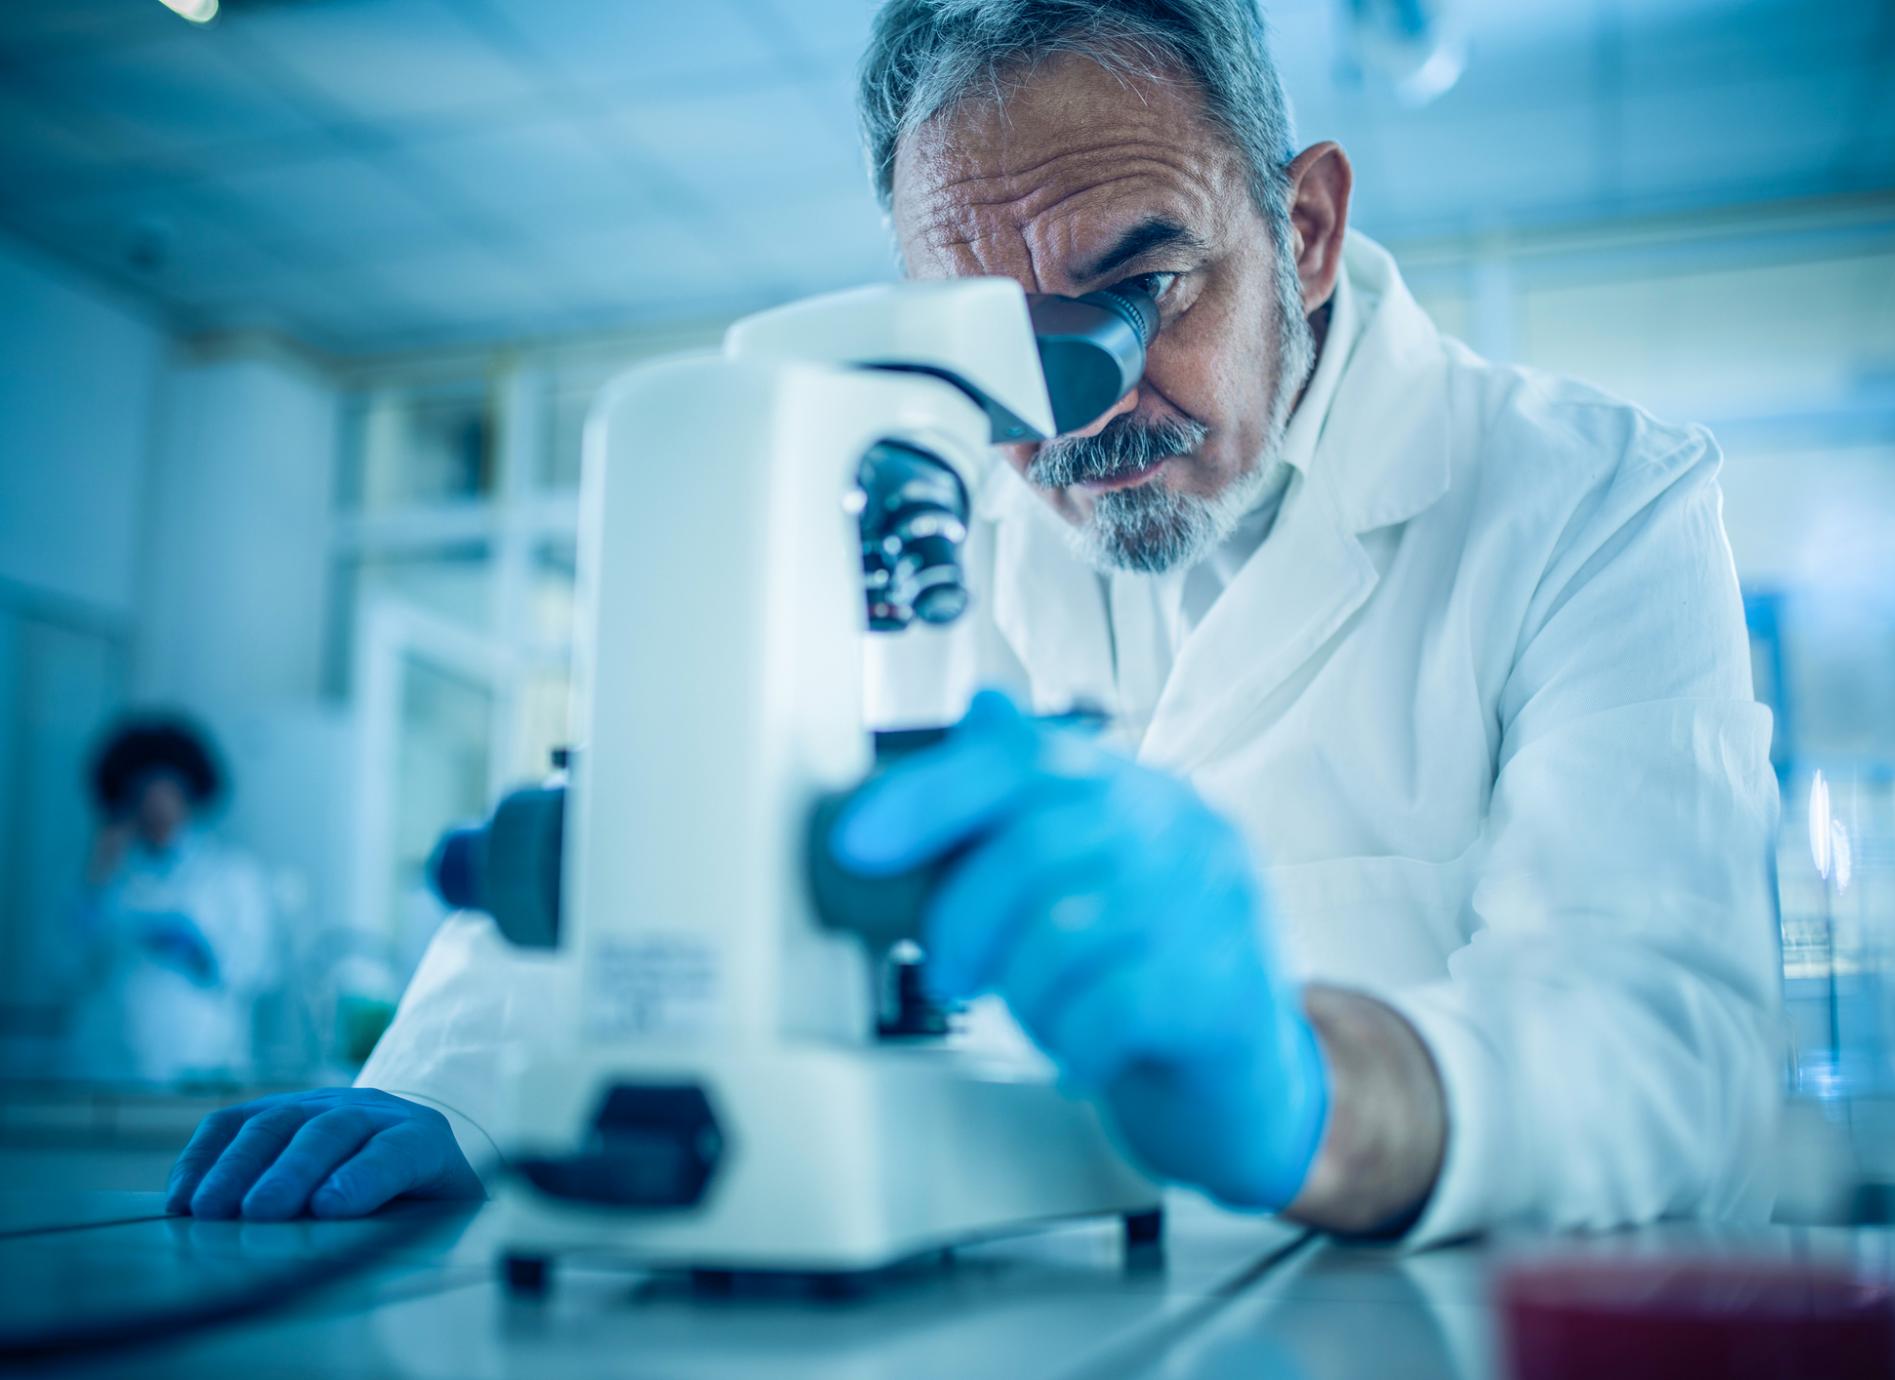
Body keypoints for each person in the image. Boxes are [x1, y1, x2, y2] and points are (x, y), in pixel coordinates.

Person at [165, 0, 1783, 1241]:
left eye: (1138, 291)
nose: (1067, 420)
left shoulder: (1593, 500)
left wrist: (1319, 1100)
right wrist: (440, 1093)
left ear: (1302, 230)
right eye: (990, 337)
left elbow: (1666, 1050)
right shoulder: (931, 506)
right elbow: (682, 797)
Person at [69, 714, 275, 1085]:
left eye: (168, 794)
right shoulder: (104, 873)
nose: (157, 808)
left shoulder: (231, 873)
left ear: (191, 795)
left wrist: (200, 953)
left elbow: (255, 970)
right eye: (144, 795)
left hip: (202, 1061)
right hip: (108, 1067)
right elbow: (63, 968)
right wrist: (95, 886)